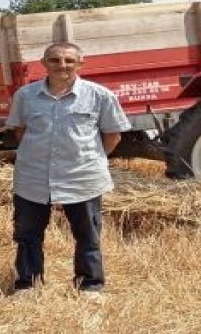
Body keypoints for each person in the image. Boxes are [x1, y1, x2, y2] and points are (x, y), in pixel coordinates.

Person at [7, 42, 131, 297]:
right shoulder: (25, 96)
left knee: (88, 235)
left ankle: (90, 286)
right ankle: (28, 285)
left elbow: (113, 136)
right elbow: (20, 132)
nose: (62, 65)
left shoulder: (100, 96)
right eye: (54, 60)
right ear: (44, 63)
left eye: (69, 60)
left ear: (80, 64)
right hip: (33, 177)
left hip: (82, 177)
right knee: (27, 235)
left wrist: (88, 160)